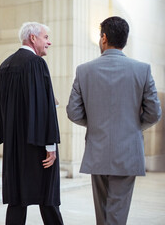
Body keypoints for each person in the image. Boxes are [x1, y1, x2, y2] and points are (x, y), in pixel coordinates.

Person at [66, 16, 162, 225]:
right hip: (128, 150)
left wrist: (95, 123)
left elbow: (73, 112)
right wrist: (135, 126)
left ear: (104, 38)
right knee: (117, 211)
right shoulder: (142, 69)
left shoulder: (84, 70)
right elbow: (154, 113)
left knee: (102, 212)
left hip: (97, 149)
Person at [0, 22, 63, 225]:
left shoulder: (4, 65)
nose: (49, 41)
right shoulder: (36, 64)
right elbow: (43, 107)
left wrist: (5, 135)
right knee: (48, 200)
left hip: (14, 146)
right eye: (46, 37)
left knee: (17, 200)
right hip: (38, 145)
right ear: (33, 38)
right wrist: (51, 146)